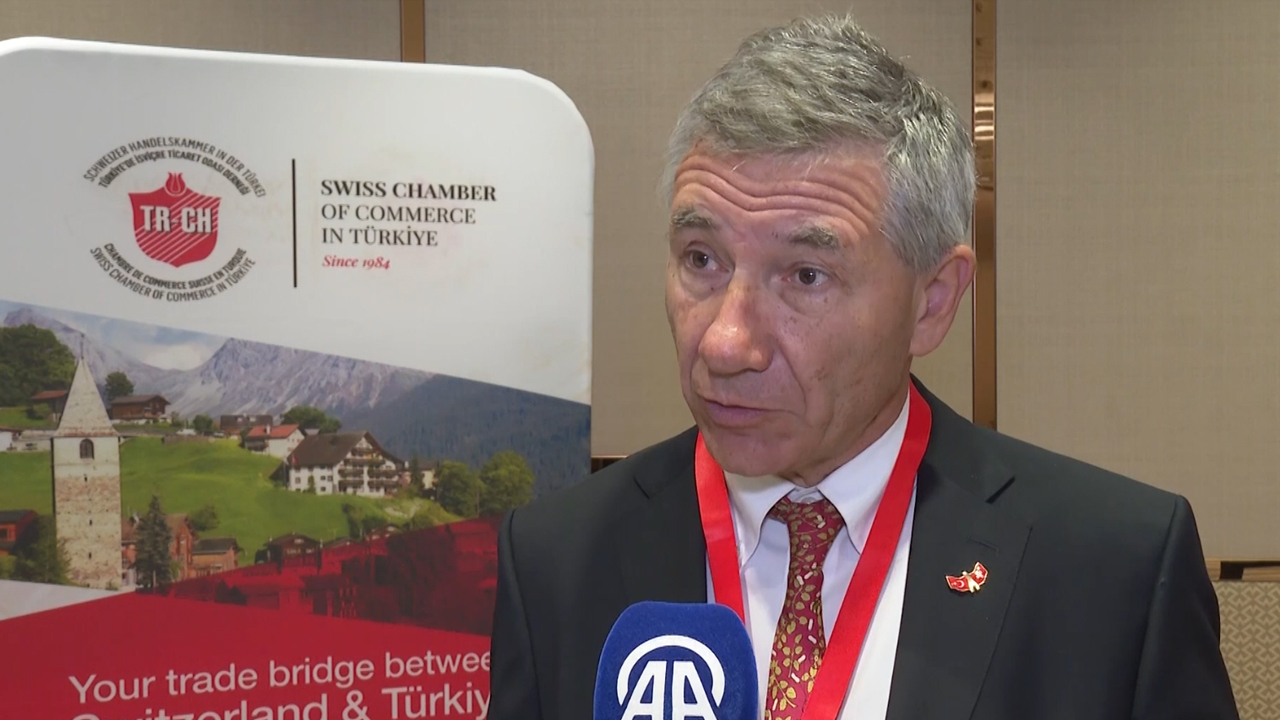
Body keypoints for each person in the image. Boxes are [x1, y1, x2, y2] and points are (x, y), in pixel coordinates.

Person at [489, 14, 1238, 720]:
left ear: (932, 302)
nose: (725, 343)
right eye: (702, 259)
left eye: (806, 275)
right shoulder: (556, 562)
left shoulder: (1114, 572)